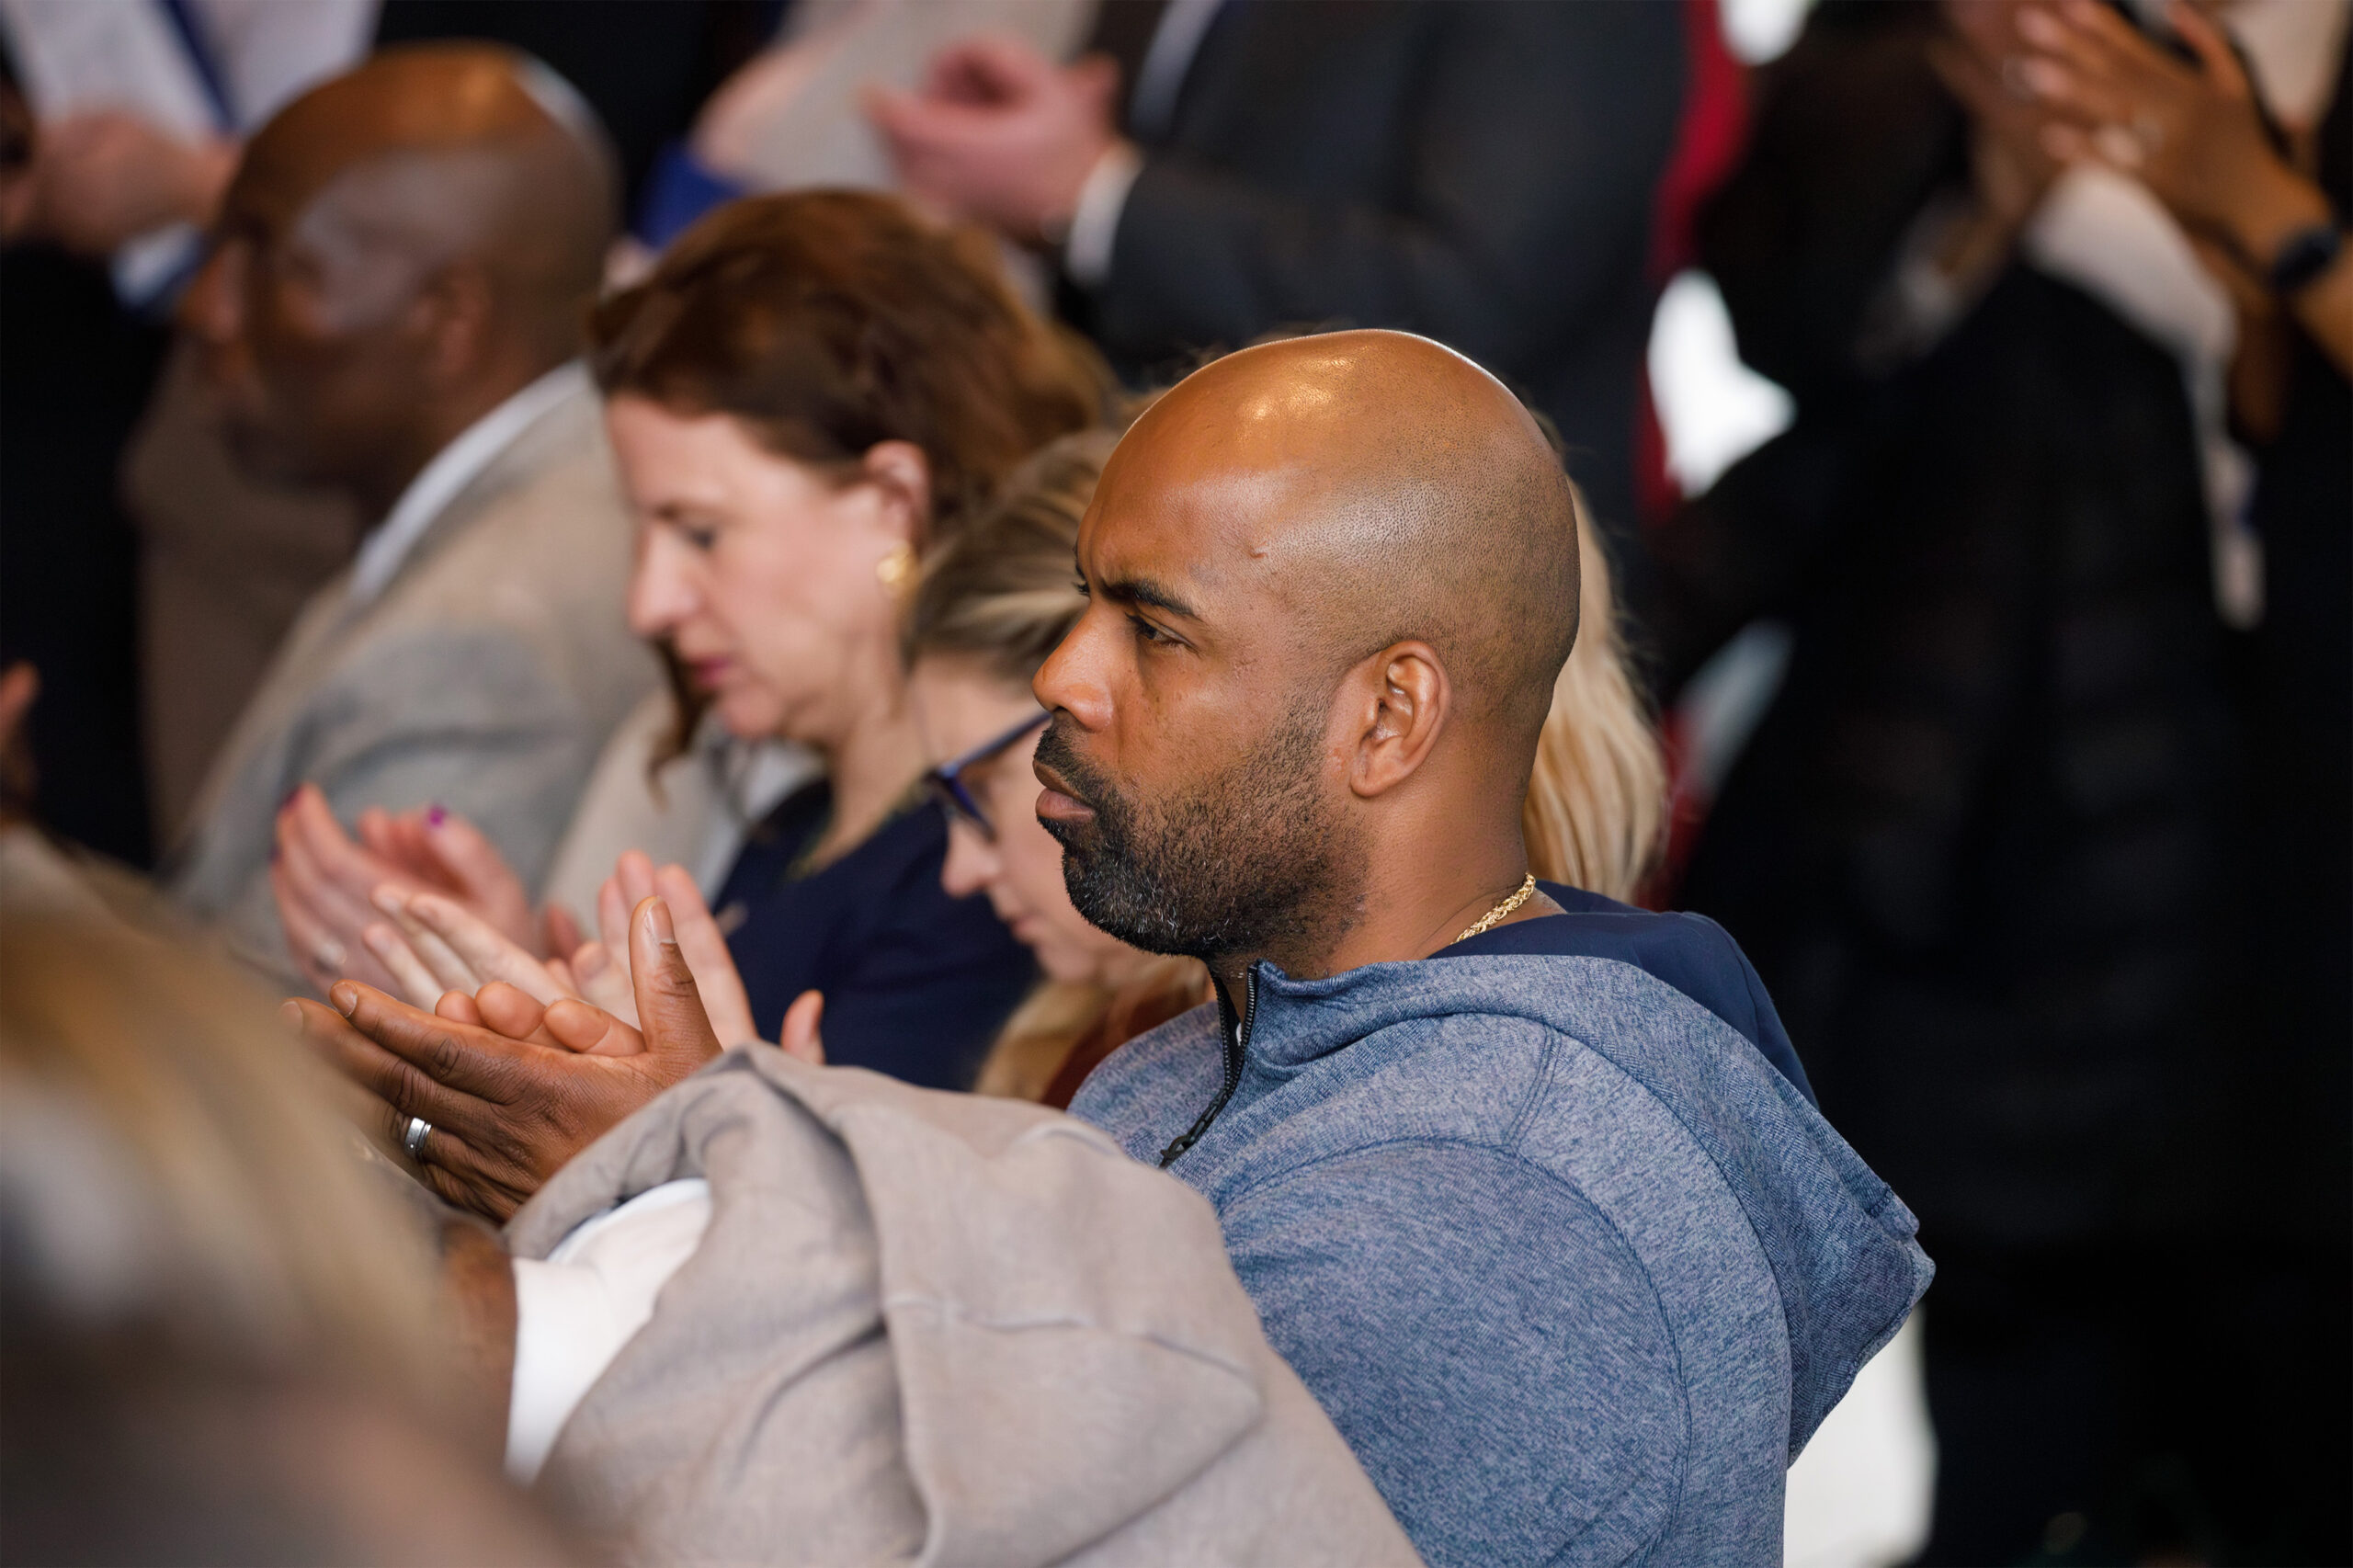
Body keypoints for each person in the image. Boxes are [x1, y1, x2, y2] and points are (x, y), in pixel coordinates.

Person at [298, 329, 1923, 1564]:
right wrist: (733, 1152)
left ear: (1390, 713)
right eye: (1084, 602)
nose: (1064, 678)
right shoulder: (1222, 1033)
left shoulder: (1488, 1218)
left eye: (1152, 628)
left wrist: (687, 1199)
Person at [1639, 2, 2342, 1559]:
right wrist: (1980, 208)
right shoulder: (1922, 46)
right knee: (2021, 1418)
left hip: (2270, 861)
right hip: (1978, 855)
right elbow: (1800, 338)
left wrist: (2263, 212)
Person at [275, 190, 1106, 1089]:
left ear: (892, 503)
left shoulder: (989, 888)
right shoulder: (790, 823)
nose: (648, 603)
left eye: (700, 531)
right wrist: (516, 988)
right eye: (641, 532)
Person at [163, 45, 661, 990]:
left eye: (269, 257)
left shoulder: (477, 645)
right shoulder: (541, 488)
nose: (208, 308)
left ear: (449, 324)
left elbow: (249, 1074)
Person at [864, 0, 1689, 545]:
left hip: (1390, 592)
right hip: (1131, 524)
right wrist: (1043, 167)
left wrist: (1097, 197)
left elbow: (1469, 301)